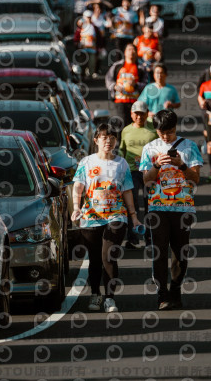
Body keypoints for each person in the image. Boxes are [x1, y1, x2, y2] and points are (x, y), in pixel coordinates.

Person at [71, 124, 142, 313]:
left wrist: (133, 217)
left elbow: (127, 191)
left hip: (116, 214)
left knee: (108, 256)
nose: (108, 141)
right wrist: (76, 207)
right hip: (91, 216)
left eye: (112, 138)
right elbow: (78, 186)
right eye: (104, 138)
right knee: (95, 259)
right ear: (96, 140)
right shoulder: (86, 162)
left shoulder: (121, 163)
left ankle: (110, 298)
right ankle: (95, 294)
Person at [140, 110, 203, 310]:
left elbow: (196, 178)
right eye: (162, 132)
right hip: (157, 207)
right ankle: (162, 294)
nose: (166, 136)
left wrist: (181, 165)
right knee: (159, 251)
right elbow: (146, 180)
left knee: (180, 252)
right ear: (156, 130)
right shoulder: (150, 148)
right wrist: (157, 165)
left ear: (176, 127)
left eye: (170, 132)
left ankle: (175, 291)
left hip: (182, 207)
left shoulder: (189, 146)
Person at [119, 101, 158, 249]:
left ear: (147, 114)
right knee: (132, 205)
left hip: (150, 171)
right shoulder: (126, 130)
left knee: (150, 205)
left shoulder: (153, 129)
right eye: (136, 114)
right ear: (131, 114)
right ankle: (132, 238)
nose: (139, 117)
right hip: (132, 172)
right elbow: (122, 150)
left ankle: (150, 238)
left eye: (142, 114)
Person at [105, 43, 148, 134]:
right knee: (122, 122)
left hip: (136, 101)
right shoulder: (117, 65)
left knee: (134, 124)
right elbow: (108, 79)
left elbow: (146, 84)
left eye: (133, 50)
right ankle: (121, 141)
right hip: (120, 100)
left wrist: (136, 85)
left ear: (136, 52)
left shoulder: (141, 67)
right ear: (124, 52)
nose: (131, 52)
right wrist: (114, 86)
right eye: (129, 49)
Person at [138, 63, 181, 128]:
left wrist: (171, 105)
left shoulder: (171, 89)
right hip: (151, 120)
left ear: (166, 74)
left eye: (161, 73)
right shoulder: (148, 88)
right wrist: (147, 113)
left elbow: (178, 104)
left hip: (166, 120)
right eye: (157, 73)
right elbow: (140, 103)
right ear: (154, 75)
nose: (159, 75)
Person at [74, 10, 98, 78]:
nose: (88, 19)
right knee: (82, 63)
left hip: (92, 49)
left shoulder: (94, 27)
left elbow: (98, 38)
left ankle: (90, 75)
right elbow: (76, 37)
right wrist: (77, 45)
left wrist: (100, 47)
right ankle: (82, 76)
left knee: (92, 63)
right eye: (87, 17)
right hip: (83, 49)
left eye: (90, 17)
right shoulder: (81, 27)